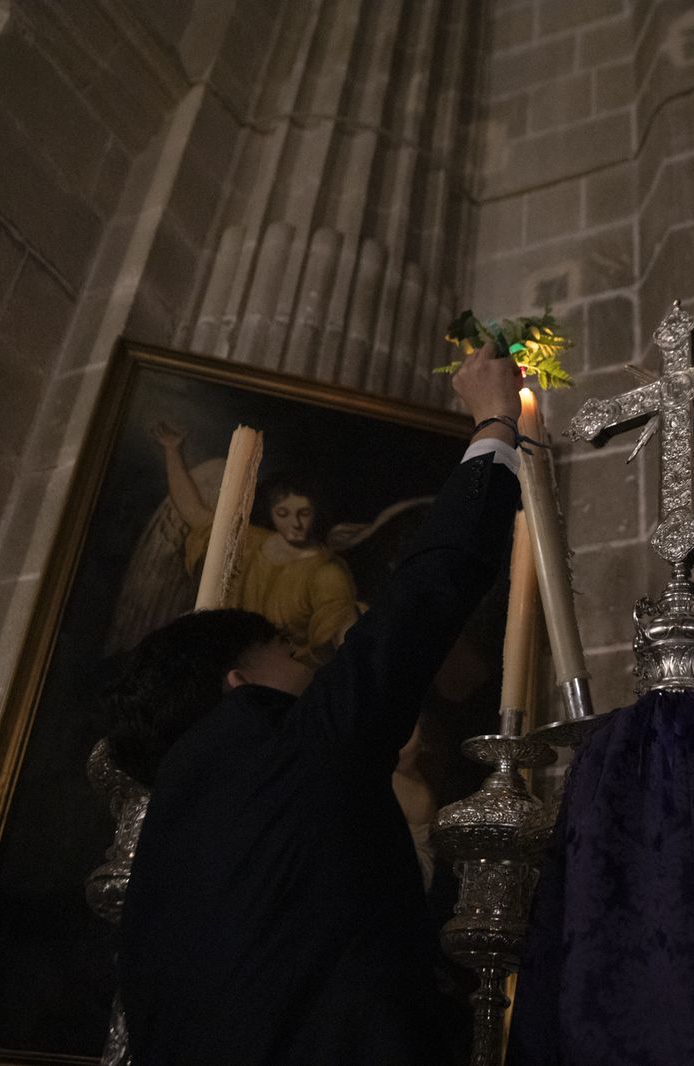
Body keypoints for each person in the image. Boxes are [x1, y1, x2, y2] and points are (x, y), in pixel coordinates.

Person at [109, 342, 523, 1065]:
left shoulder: (165, 841)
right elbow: (426, 594)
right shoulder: (290, 750)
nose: (302, 659)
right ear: (237, 683)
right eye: (282, 649)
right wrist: (494, 422)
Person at [152, 427, 362, 666]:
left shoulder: (326, 573)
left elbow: (346, 642)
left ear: (316, 513)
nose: (295, 523)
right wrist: (173, 451)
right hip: (221, 665)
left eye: (304, 513)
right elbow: (192, 510)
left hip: (278, 681)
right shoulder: (247, 542)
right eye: (283, 513)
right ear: (271, 513)